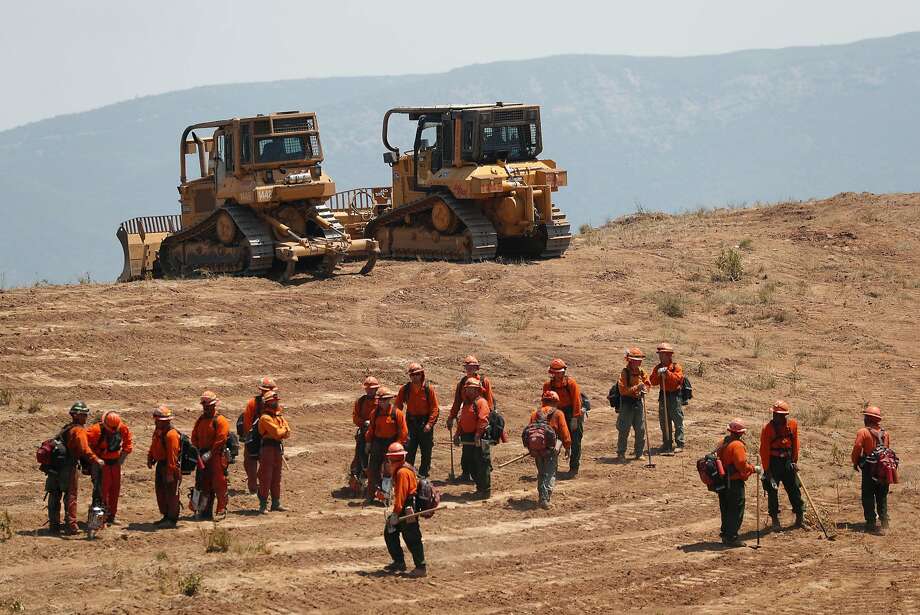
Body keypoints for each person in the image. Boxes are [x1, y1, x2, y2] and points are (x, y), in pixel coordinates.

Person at [46, 402, 103, 535]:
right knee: (70, 496)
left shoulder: (66, 428)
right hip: (69, 467)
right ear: (78, 416)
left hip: (54, 467)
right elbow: (84, 448)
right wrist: (96, 460)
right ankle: (71, 526)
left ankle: (53, 526)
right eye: (84, 415)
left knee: (54, 494)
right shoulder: (78, 430)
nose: (86, 418)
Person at [382, 443, 427, 577]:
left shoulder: (402, 472)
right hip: (406, 506)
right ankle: (399, 562)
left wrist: (396, 513)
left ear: (392, 459)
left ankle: (421, 567)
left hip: (407, 508)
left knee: (412, 537)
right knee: (390, 532)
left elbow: (401, 495)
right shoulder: (405, 468)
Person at [759, 400, 804, 530]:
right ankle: (774, 519)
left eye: (778, 414)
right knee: (772, 491)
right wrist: (767, 469)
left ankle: (800, 516)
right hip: (773, 463)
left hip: (788, 462)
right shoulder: (767, 428)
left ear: (785, 415)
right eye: (774, 413)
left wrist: (795, 461)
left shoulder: (792, 425)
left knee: (794, 489)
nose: (775, 416)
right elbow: (764, 450)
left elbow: (795, 444)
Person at [448, 355, 495, 482]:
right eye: (467, 367)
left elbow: (489, 402)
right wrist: (451, 417)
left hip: (481, 417)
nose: (469, 369)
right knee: (467, 449)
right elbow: (457, 402)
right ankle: (466, 472)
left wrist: (487, 420)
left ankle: (485, 471)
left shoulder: (484, 381)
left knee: (482, 449)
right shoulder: (462, 383)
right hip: (467, 417)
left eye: (472, 367)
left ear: (477, 368)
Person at [86, 410, 133, 526]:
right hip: (102, 465)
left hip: (115, 464)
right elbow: (85, 447)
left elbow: (128, 443)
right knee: (101, 492)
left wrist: (121, 460)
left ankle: (112, 516)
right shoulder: (95, 431)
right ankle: (99, 519)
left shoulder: (121, 428)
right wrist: (95, 460)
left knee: (114, 490)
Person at [394, 363, 440, 478]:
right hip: (410, 423)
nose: (415, 377)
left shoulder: (428, 389)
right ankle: (409, 474)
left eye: (417, 374)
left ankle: (424, 475)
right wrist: (396, 422)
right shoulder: (405, 390)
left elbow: (435, 408)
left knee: (426, 451)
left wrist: (430, 424)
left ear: (421, 374)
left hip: (425, 423)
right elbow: (397, 407)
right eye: (413, 374)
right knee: (409, 449)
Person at [365, 387, 408, 504]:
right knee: (373, 469)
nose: (381, 402)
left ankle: (386, 496)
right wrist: (368, 442)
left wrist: (397, 446)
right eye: (380, 400)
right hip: (378, 443)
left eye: (384, 400)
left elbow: (403, 432)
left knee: (388, 471)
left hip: (392, 444)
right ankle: (370, 494)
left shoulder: (397, 413)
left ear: (389, 400)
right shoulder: (375, 413)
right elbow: (371, 429)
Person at [717, 419, 757, 545]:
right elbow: (742, 466)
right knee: (736, 509)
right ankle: (731, 537)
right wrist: (754, 469)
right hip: (734, 483)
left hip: (722, 482)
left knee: (726, 508)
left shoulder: (723, 441)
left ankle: (725, 534)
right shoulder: (737, 445)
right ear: (741, 433)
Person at [528, 390, 571, 508]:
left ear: (543, 401)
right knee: (550, 473)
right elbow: (564, 432)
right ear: (556, 402)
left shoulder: (534, 414)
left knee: (541, 473)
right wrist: (567, 446)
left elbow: (529, 432)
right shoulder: (558, 414)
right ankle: (545, 498)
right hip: (551, 450)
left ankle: (542, 495)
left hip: (536, 449)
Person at [851, 406, 891, 533]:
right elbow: (887, 449)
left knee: (868, 495)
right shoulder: (885, 433)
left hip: (869, 467)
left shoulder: (863, 432)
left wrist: (855, 461)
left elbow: (857, 447)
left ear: (867, 418)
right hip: (884, 468)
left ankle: (871, 522)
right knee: (882, 495)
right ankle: (884, 522)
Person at [191, 390, 230, 520]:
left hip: (217, 456)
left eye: (208, 406)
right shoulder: (200, 420)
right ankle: (203, 510)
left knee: (219, 483)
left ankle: (221, 509)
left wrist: (210, 453)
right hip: (202, 456)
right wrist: (197, 452)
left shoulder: (220, 420)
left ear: (214, 405)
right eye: (204, 406)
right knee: (203, 484)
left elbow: (221, 439)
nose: (206, 408)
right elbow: (194, 437)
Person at [450, 378, 492, 498]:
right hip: (468, 438)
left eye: (471, 389)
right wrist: (457, 434)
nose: (468, 391)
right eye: (467, 389)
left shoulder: (481, 402)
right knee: (471, 463)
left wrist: (478, 435)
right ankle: (480, 488)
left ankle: (484, 490)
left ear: (477, 390)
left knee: (482, 464)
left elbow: (483, 420)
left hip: (479, 437)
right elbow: (462, 421)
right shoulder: (466, 404)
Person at [542, 358, 583, 477]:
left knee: (575, 441)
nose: (558, 374)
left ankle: (574, 468)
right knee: (554, 440)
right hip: (556, 412)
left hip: (572, 413)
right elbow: (545, 403)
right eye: (555, 372)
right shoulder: (548, 386)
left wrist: (575, 418)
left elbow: (576, 402)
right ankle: (552, 467)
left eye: (560, 372)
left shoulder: (571, 383)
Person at [257, 389, 291, 514]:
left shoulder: (278, 416)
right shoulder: (265, 418)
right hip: (267, 450)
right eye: (274, 401)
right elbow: (278, 432)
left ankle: (276, 503)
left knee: (276, 478)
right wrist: (282, 431)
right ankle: (263, 505)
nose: (277, 403)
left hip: (277, 449)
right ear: (269, 403)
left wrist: (282, 431)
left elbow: (288, 431)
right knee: (266, 477)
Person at [147, 405, 182, 527]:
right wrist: (150, 456)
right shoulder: (158, 431)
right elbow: (154, 444)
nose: (156, 422)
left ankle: (172, 519)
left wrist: (170, 472)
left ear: (167, 421)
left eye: (159, 420)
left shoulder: (171, 435)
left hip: (169, 467)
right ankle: (166, 516)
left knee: (171, 494)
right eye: (156, 420)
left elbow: (172, 456)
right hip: (161, 465)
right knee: (161, 492)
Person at [241, 376, 277, 495]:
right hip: (255, 437)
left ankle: (264, 489)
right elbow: (247, 423)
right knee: (250, 462)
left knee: (266, 465)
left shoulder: (274, 404)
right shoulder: (252, 403)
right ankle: (253, 487)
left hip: (267, 438)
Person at [616, 348, 651, 461]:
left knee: (640, 429)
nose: (639, 362)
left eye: (640, 360)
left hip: (638, 402)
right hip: (627, 404)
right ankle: (621, 453)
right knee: (624, 429)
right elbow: (622, 391)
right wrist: (637, 387)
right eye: (636, 360)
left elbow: (647, 383)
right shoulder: (624, 373)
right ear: (630, 361)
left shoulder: (641, 372)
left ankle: (639, 452)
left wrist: (645, 389)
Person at [649, 342, 685, 453]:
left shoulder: (675, 367)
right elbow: (652, 381)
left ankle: (680, 443)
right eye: (659, 354)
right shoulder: (658, 368)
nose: (660, 356)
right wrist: (658, 375)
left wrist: (667, 374)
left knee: (677, 420)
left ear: (669, 355)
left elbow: (677, 380)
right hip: (663, 396)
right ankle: (667, 443)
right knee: (664, 421)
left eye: (662, 354)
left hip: (674, 397)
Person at [351, 376, 380, 492]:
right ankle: (358, 477)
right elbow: (355, 417)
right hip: (364, 433)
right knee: (360, 455)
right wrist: (364, 423)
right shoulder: (360, 402)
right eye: (368, 389)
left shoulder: (381, 401)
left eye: (372, 389)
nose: (370, 391)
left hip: (378, 434)